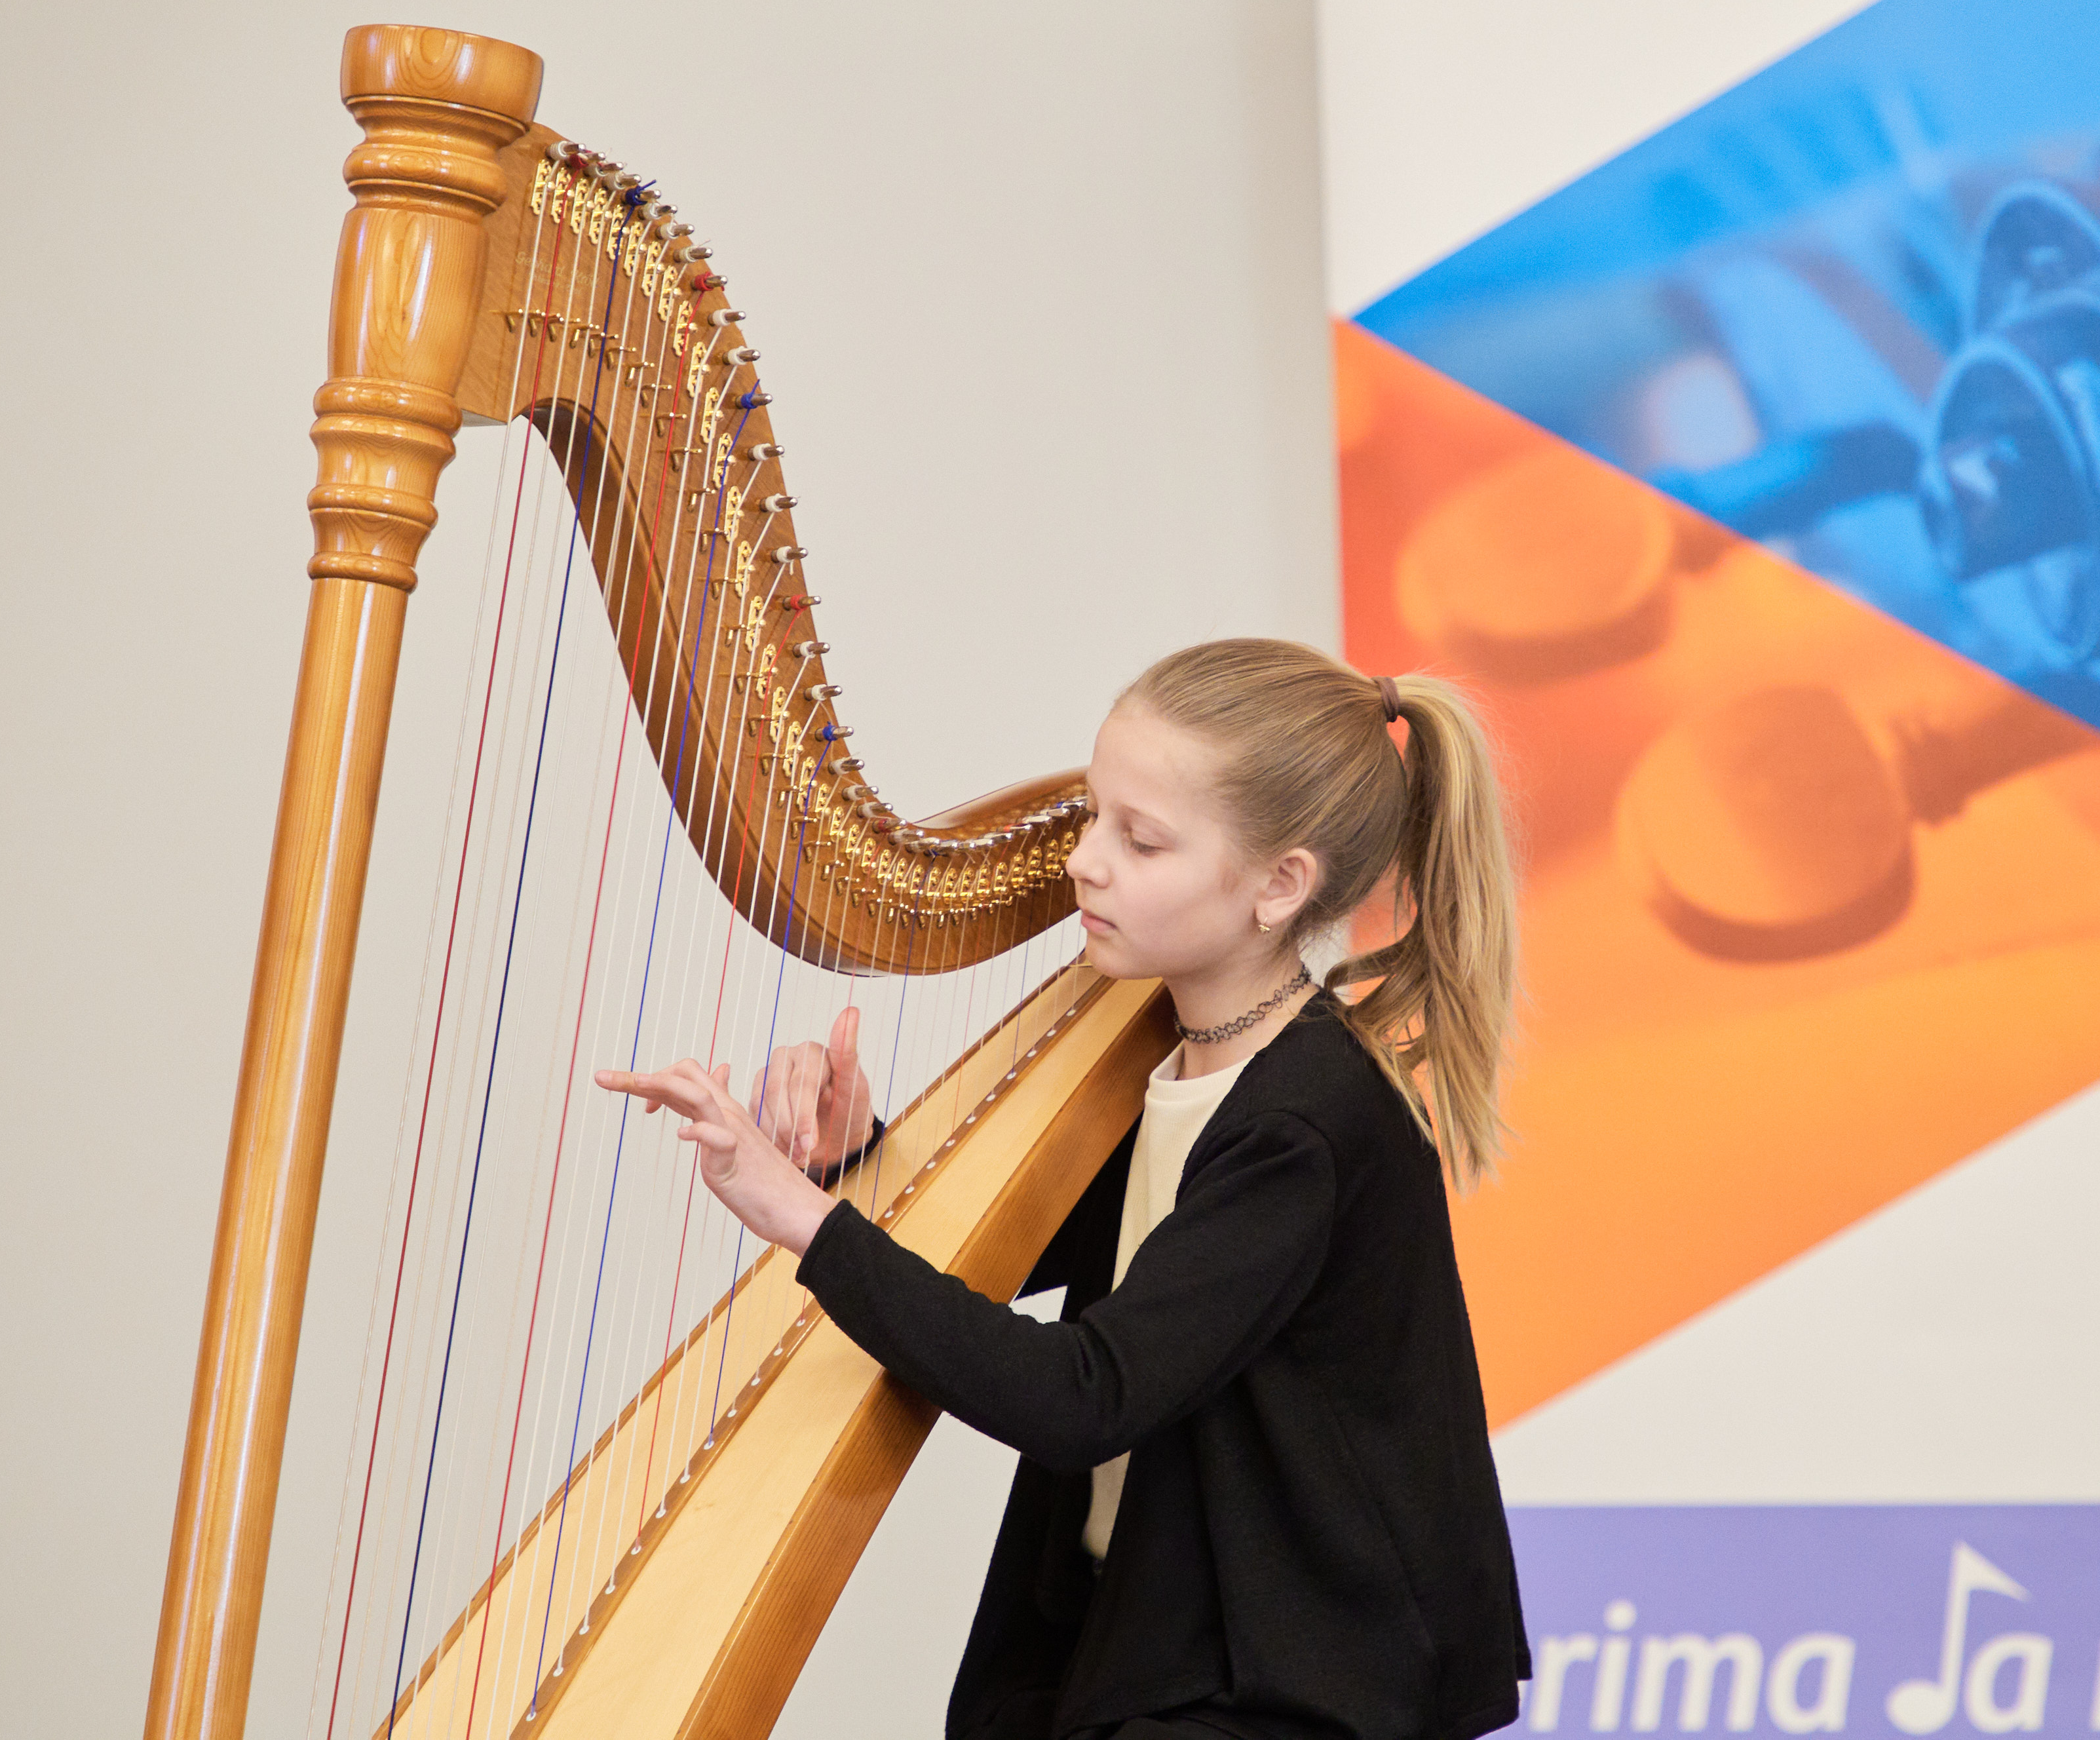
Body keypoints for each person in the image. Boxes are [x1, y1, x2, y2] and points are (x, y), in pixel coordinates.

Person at [596, 638, 1530, 1740]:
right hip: (1140, 1621)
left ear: (1280, 887)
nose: (1085, 861)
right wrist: (856, 1155)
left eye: (1140, 840)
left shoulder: (1307, 1123)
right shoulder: (1173, 1058)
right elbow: (1005, 1251)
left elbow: (1083, 1396)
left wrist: (799, 1217)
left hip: (1287, 1674)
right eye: (1093, 818)